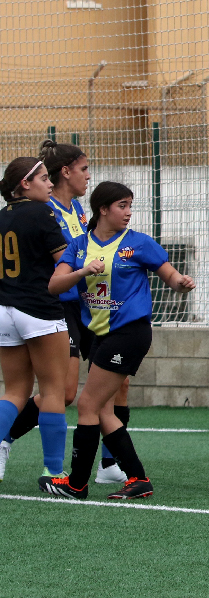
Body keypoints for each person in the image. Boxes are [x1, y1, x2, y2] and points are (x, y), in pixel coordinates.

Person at [41, 181, 196, 499]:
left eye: (130, 206)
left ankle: (77, 485)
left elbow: (170, 275)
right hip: (100, 334)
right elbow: (55, 285)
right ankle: (138, 478)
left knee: (88, 404)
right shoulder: (79, 245)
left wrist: (181, 282)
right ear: (102, 209)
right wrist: (82, 272)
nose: (128, 212)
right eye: (121, 206)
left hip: (129, 333)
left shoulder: (139, 243)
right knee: (103, 411)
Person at [0, 141, 129, 485]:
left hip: (86, 304)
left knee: (118, 382)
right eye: (84, 169)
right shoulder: (46, 211)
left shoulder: (77, 210)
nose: (89, 175)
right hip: (55, 307)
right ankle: (28, 453)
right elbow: (64, 262)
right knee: (62, 392)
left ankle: (109, 463)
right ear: (65, 172)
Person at [0, 157, 70, 484]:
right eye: (43, 178)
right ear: (25, 184)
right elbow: (64, 262)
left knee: (14, 391)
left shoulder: (2, 216)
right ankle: (54, 471)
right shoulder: (42, 213)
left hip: (4, 310)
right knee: (54, 390)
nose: (51, 184)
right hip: (39, 309)